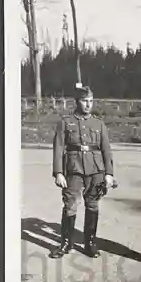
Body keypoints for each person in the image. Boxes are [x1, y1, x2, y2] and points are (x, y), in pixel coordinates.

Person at [49, 83, 115, 259]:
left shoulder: (98, 124)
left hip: (96, 171)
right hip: (74, 169)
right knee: (70, 205)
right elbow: (58, 148)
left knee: (92, 205)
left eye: (91, 101)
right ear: (77, 102)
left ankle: (90, 243)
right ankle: (65, 243)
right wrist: (58, 172)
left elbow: (106, 150)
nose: (88, 104)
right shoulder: (65, 123)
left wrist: (109, 174)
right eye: (85, 101)